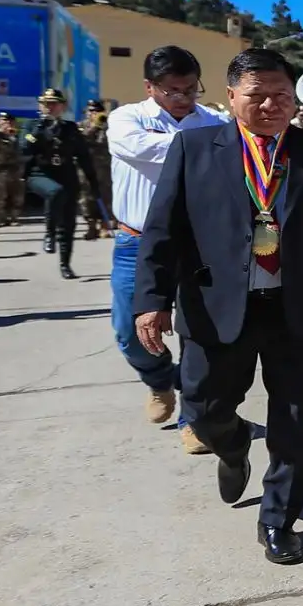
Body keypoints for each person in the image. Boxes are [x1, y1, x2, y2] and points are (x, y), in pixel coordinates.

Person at [134, 49, 303, 564]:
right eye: (257, 95)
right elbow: (162, 232)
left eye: (281, 95)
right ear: (231, 95)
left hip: (294, 307)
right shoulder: (194, 148)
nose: (270, 105)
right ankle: (234, 445)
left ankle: (278, 520)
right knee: (203, 406)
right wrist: (150, 302)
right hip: (214, 306)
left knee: (296, 418)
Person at [108, 46, 229, 451]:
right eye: (172, 91)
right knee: (130, 331)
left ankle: (193, 418)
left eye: (190, 89)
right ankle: (160, 380)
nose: (182, 98)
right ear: (150, 87)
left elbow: (235, 150)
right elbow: (143, 149)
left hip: (197, 243)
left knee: (197, 333)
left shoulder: (213, 121)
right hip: (137, 242)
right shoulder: (126, 119)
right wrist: (202, 146)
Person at [20, 88, 96, 278]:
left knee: (69, 223)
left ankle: (65, 264)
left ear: (62, 106)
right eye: (46, 104)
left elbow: (84, 157)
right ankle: (49, 233)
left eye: (54, 103)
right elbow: (24, 148)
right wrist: (38, 130)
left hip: (66, 175)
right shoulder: (31, 126)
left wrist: (94, 183)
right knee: (55, 192)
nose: (50, 107)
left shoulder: (70, 128)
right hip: (39, 174)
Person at [80, 101, 114, 240]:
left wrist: (103, 126)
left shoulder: (109, 126)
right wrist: (93, 127)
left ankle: (105, 225)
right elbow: (80, 141)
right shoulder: (81, 126)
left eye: (96, 111)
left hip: (105, 168)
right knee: (86, 198)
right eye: (90, 111)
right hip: (86, 168)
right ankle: (91, 226)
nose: (93, 114)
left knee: (106, 196)